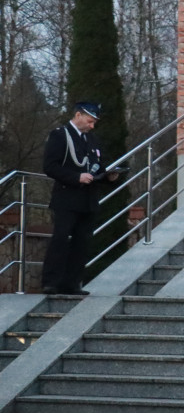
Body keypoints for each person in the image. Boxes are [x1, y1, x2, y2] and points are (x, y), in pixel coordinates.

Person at [40, 101, 119, 295]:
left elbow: (97, 166)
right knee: (60, 238)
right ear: (78, 116)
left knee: (81, 242)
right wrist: (76, 177)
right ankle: (51, 282)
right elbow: (50, 166)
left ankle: (72, 283)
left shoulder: (91, 140)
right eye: (90, 121)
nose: (92, 126)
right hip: (67, 197)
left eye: (94, 123)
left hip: (88, 199)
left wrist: (109, 176)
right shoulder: (60, 135)